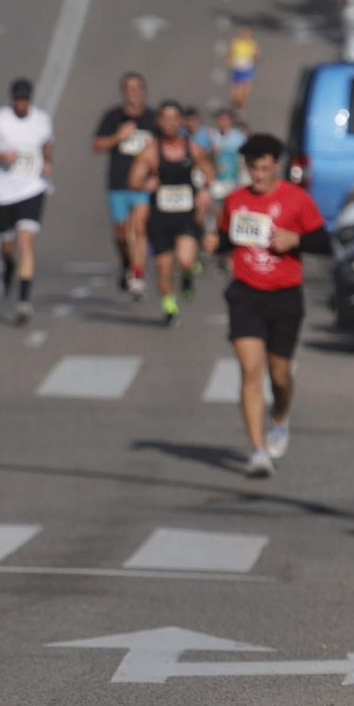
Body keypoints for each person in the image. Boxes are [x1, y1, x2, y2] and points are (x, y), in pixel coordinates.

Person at [203, 134, 329, 478]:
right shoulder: (235, 200)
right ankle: (258, 451)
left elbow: (324, 241)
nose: (257, 176)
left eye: (263, 169)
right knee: (250, 371)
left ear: (276, 165)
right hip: (245, 294)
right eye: (252, 169)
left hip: (285, 296)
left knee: (280, 376)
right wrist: (215, 243)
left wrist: (296, 239)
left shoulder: (297, 199)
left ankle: (280, 416)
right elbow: (228, 238)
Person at [0, 77, 53, 325]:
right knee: (8, 245)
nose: (21, 103)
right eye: (18, 99)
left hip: (32, 188)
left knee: (26, 242)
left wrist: (48, 162)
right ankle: (8, 267)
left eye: (25, 99)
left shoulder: (41, 120)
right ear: (12, 99)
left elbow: (47, 144)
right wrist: (0, 156)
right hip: (1, 192)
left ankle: (23, 302)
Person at [129, 101, 216, 326]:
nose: (169, 124)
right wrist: (145, 183)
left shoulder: (192, 148)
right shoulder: (151, 151)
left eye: (174, 118)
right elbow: (133, 179)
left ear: (181, 121)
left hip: (185, 215)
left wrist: (205, 190)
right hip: (160, 218)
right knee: (163, 268)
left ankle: (187, 276)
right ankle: (169, 307)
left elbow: (209, 171)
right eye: (165, 119)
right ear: (159, 121)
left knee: (185, 259)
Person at [92, 72, 158, 300]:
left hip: (142, 186)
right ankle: (126, 263)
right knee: (121, 234)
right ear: (123, 92)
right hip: (118, 183)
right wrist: (118, 137)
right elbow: (97, 145)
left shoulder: (153, 119)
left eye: (137, 88)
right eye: (128, 88)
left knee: (139, 228)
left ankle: (137, 277)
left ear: (144, 91)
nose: (133, 93)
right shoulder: (113, 117)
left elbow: (165, 149)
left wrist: (155, 177)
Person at [203, 109, 248, 255]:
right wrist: (212, 154)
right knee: (214, 214)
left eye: (225, 120)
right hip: (216, 183)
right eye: (220, 120)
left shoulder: (238, 138)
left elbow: (243, 160)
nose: (223, 123)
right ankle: (212, 244)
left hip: (232, 183)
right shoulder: (211, 137)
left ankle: (228, 246)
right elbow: (204, 159)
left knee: (230, 215)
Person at [227, 26, 260, 113]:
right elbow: (229, 53)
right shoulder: (236, 42)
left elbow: (257, 54)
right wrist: (229, 60)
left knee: (245, 92)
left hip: (248, 69)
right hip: (238, 69)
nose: (246, 35)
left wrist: (256, 56)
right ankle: (236, 105)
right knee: (236, 93)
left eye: (248, 33)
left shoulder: (252, 43)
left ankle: (241, 110)